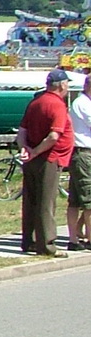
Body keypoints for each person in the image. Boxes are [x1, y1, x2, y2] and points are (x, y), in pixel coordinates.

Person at [18, 67, 74, 257]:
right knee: (46, 202)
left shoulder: (35, 102)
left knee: (31, 200)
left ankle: (29, 241)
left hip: (33, 158)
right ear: (62, 85)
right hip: (48, 158)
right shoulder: (57, 104)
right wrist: (34, 151)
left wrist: (24, 148)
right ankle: (46, 245)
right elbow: (53, 136)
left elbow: (21, 132)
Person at [67, 70, 91, 250]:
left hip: (81, 153)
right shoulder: (83, 103)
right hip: (84, 153)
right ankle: (86, 238)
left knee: (77, 200)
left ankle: (75, 236)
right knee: (88, 200)